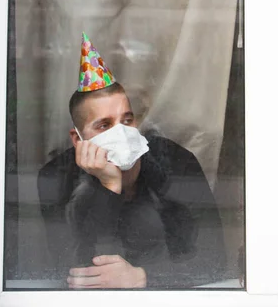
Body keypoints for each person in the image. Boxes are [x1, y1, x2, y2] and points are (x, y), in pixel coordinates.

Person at [38, 33, 227, 289]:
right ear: (77, 139)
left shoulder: (175, 162)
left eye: (127, 120)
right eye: (104, 125)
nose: (121, 133)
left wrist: (143, 277)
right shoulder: (57, 176)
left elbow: (214, 260)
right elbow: (76, 272)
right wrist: (108, 186)